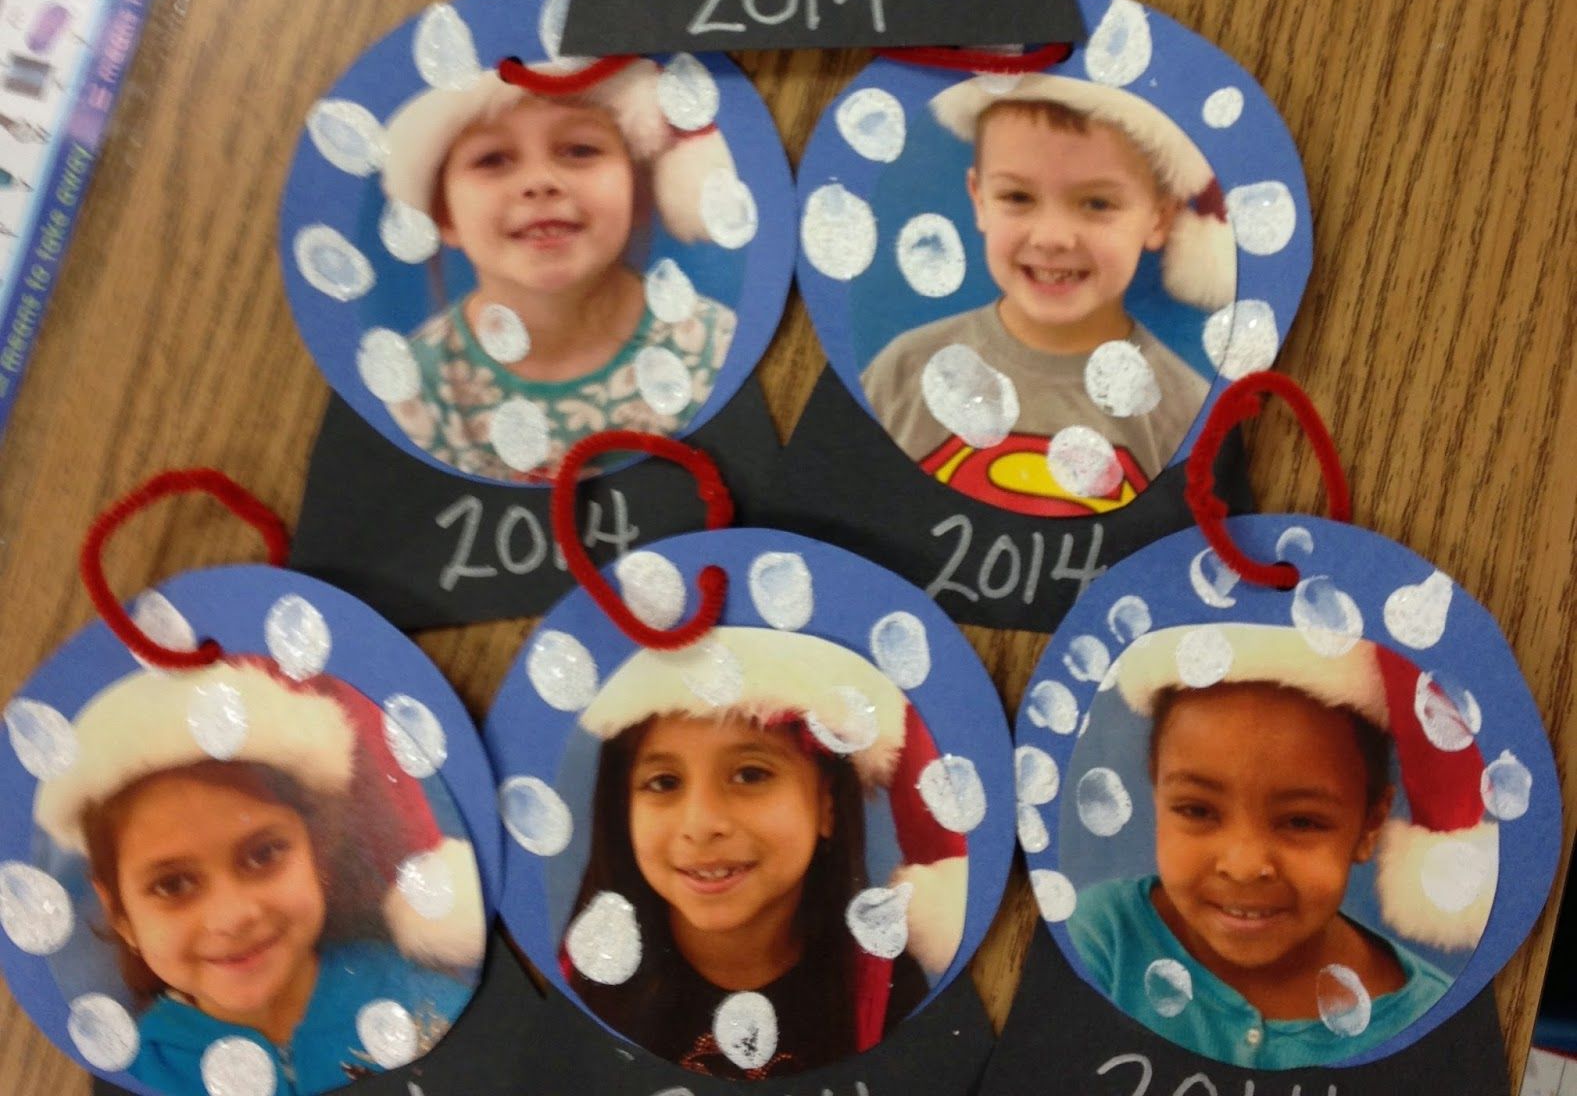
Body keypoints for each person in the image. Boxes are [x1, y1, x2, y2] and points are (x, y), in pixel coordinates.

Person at [34, 658, 486, 1096]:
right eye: (172, 885)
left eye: (263, 855)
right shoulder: (134, 1070)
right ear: (120, 915)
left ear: (316, 853)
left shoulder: (420, 1003)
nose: (232, 916)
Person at [1063, 626, 1495, 1069]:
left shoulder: (1436, 1027)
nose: (1244, 866)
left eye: (1300, 821)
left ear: (1370, 825)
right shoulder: (1102, 939)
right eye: (1197, 810)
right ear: (1157, 792)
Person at [562, 627, 969, 1079]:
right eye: (664, 782)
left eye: (750, 775)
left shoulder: (885, 994)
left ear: (827, 806)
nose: (700, 824)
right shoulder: (575, 986)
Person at [860, 75, 1235, 517]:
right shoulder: (903, 372)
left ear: (1160, 218)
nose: (1052, 237)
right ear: (979, 201)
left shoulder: (1184, 409)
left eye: (1097, 203)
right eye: (1018, 196)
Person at [380, 57, 739, 481]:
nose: (539, 181)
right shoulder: (410, 389)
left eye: (580, 150)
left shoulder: (718, 351)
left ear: (639, 193)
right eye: (493, 159)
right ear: (444, 216)